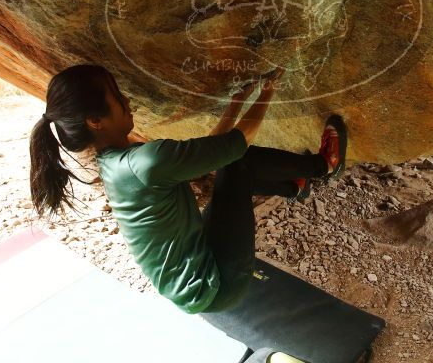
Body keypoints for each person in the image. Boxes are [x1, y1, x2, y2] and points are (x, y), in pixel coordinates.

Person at [29, 64, 347, 314]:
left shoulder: (117, 162)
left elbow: (208, 152)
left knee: (229, 165)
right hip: (214, 285)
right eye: (116, 96)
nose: (127, 101)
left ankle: (295, 186)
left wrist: (238, 100)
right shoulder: (145, 163)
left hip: (192, 274)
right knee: (240, 163)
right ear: (95, 120)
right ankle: (324, 166)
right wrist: (268, 89)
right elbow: (238, 143)